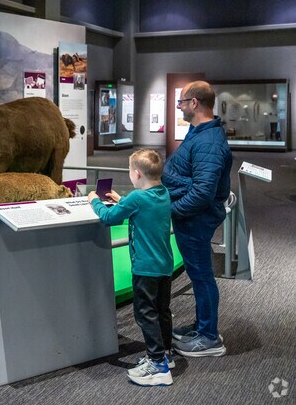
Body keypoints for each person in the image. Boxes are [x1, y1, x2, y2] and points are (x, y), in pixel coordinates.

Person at [88, 148, 174, 387]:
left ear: (136, 174)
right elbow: (142, 206)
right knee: (162, 311)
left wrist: (94, 200)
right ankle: (165, 354)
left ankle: (158, 366)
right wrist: (121, 200)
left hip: (145, 269)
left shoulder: (137, 199)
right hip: (163, 266)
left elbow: (108, 218)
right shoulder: (163, 192)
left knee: (145, 314)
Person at [162, 80, 232, 358]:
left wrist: (172, 209)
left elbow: (202, 192)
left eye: (181, 101)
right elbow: (192, 181)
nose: (179, 106)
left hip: (195, 220)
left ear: (194, 103)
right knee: (199, 274)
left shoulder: (208, 141)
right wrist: (179, 184)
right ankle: (203, 326)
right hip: (191, 217)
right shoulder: (200, 133)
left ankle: (209, 337)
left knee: (202, 277)